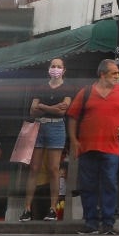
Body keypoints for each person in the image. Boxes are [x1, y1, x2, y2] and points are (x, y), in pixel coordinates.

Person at [68, 59, 119, 235]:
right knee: (88, 185)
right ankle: (91, 223)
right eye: (113, 73)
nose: (117, 76)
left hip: (111, 148)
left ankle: (108, 223)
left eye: (118, 73)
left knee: (109, 184)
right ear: (102, 74)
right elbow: (72, 116)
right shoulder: (86, 92)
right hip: (87, 147)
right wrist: (73, 140)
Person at [21, 57, 72, 221]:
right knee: (34, 168)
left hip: (57, 127)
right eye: (53, 66)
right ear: (48, 69)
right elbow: (32, 111)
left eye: (59, 66)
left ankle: (52, 208)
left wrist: (42, 106)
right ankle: (27, 208)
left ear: (64, 70)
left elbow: (62, 111)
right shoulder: (40, 87)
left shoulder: (68, 87)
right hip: (39, 127)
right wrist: (50, 108)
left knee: (53, 169)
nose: (55, 69)